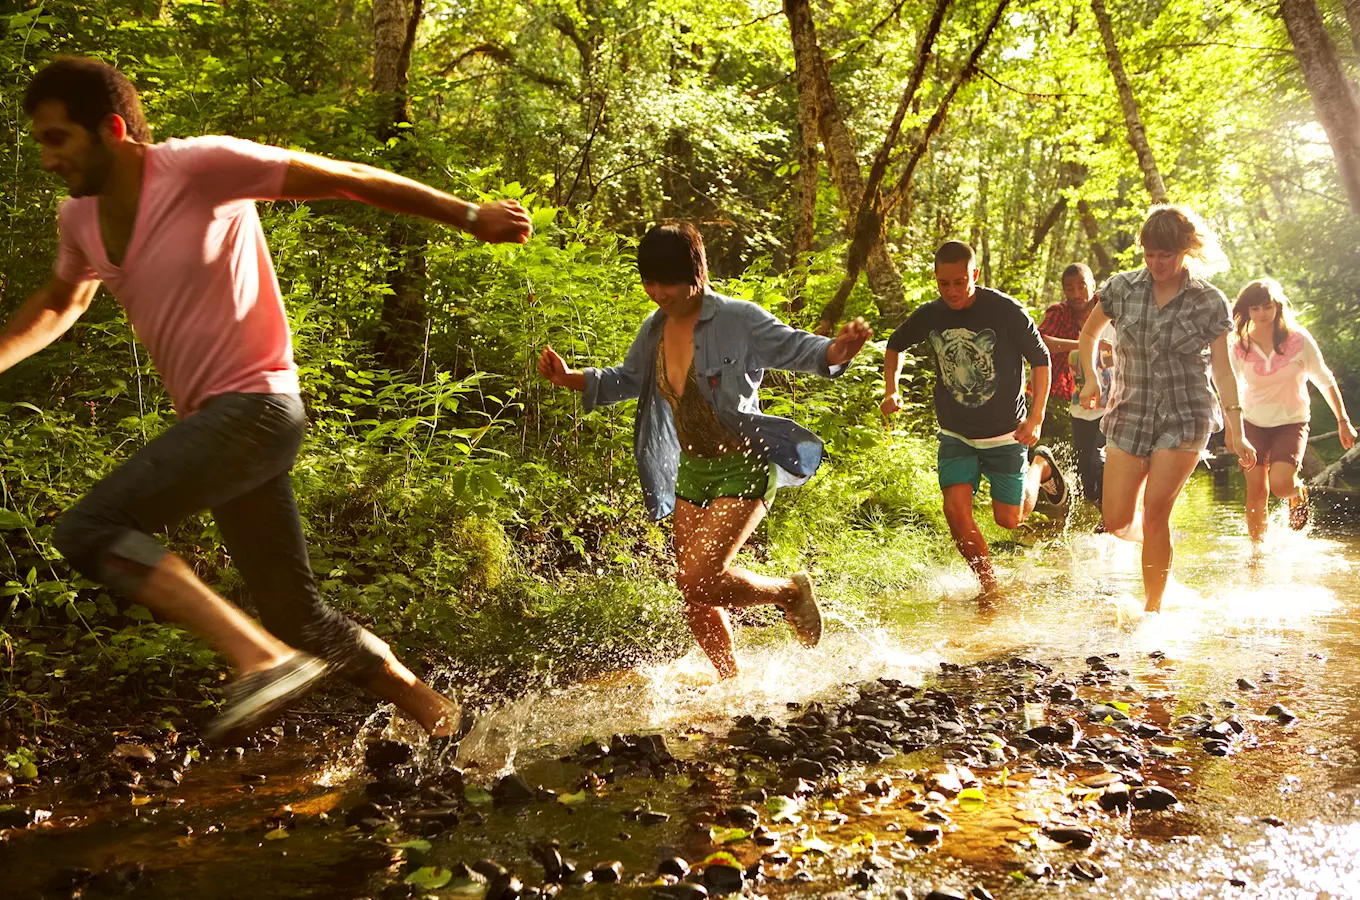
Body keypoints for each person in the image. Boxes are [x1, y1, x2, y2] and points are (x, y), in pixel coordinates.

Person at [3, 57, 531, 744]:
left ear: (110, 129)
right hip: (220, 429)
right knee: (295, 611)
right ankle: (440, 718)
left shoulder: (199, 168)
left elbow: (345, 180)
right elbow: (59, 302)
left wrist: (468, 214)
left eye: (57, 138)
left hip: (256, 408)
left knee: (87, 530)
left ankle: (257, 657)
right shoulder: (78, 219)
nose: (47, 159)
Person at [536, 223, 872, 679]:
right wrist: (570, 377)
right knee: (695, 595)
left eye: (667, 281)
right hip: (692, 470)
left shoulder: (738, 319)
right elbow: (628, 379)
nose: (658, 292)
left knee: (699, 576)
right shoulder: (654, 329)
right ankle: (730, 683)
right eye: (649, 282)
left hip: (745, 462)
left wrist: (837, 350)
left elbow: (796, 347)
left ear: (696, 272)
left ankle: (789, 593)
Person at [1077, 205, 1254, 615]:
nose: (1157, 263)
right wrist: (1091, 377)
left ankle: (1152, 612)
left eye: (1167, 255)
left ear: (1187, 250)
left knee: (1157, 511)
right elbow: (1089, 333)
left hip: (1185, 416)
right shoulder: (1121, 288)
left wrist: (1236, 428)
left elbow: (1224, 372)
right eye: (1150, 254)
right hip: (1128, 412)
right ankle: (1160, 550)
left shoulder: (1209, 301)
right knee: (1118, 520)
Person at [882, 241, 1066, 597]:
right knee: (954, 510)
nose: (951, 291)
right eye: (943, 283)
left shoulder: (1005, 311)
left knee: (1008, 520)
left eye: (959, 282)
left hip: (1006, 433)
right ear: (936, 279)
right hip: (957, 433)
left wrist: (1038, 416)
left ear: (975, 275)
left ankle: (1040, 467)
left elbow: (1041, 359)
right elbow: (896, 344)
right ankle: (989, 586)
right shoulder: (931, 314)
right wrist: (892, 389)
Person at [1229, 278, 1356, 540]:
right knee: (1256, 490)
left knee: (1280, 484)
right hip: (1252, 422)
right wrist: (1232, 431)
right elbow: (1229, 389)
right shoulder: (1239, 346)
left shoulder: (1298, 340)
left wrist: (1342, 420)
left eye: (1267, 307)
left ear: (1277, 307)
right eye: (1255, 309)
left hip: (1291, 422)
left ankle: (1296, 491)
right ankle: (1256, 553)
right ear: (1247, 312)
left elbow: (1324, 379)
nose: (1262, 314)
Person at [1040, 263, 1113, 507]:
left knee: (1100, 460)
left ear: (1093, 286)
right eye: (1069, 288)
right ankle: (1102, 513)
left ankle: (1111, 524)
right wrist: (1085, 344)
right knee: (1087, 481)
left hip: (1115, 403)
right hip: (1080, 406)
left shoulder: (1111, 310)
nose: (1076, 293)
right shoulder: (1061, 314)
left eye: (1081, 286)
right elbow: (1043, 342)